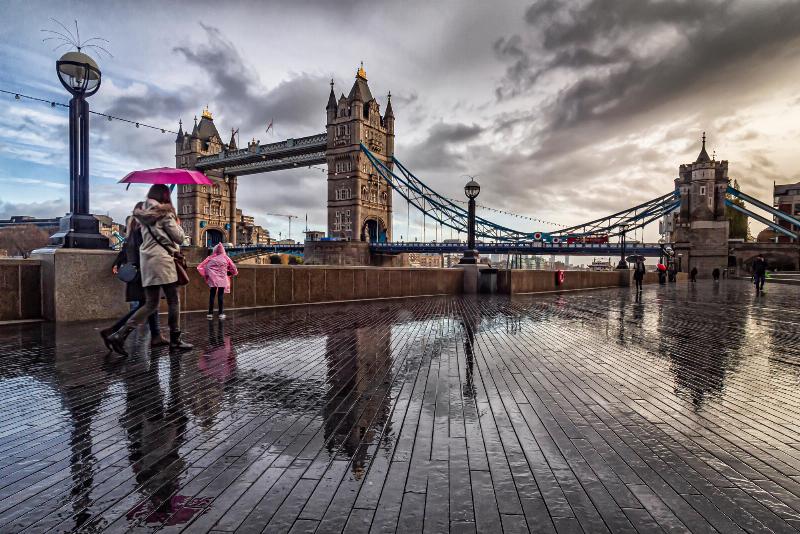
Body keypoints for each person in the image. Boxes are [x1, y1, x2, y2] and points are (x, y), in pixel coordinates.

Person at [107, 184, 192, 355]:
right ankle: (175, 340)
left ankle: (120, 335)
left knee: (150, 304)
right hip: (163, 261)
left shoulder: (142, 216)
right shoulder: (166, 215)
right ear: (164, 196)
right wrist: (177, 223)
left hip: (147, 262)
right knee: (174, 300)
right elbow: (180, 238)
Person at [100, 204, 168, 350]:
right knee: (149, 305)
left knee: (150, 305)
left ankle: (156, 336)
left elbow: (125, 251)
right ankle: (113, 331)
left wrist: (117, 263)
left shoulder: (133, 231)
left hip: (139, 275)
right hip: (145, 274)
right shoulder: (142, 232)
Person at [197, 243, 238, 319]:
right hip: (222, 279)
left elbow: (201, 266)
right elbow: (233, 268)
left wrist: (208, 274)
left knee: (212, 296)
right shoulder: (226, 258)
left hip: (213, 279)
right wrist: (230, 273)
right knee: (220, 296)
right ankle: (221, 314)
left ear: (215, 250)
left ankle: (210, 313)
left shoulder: (210, 258)